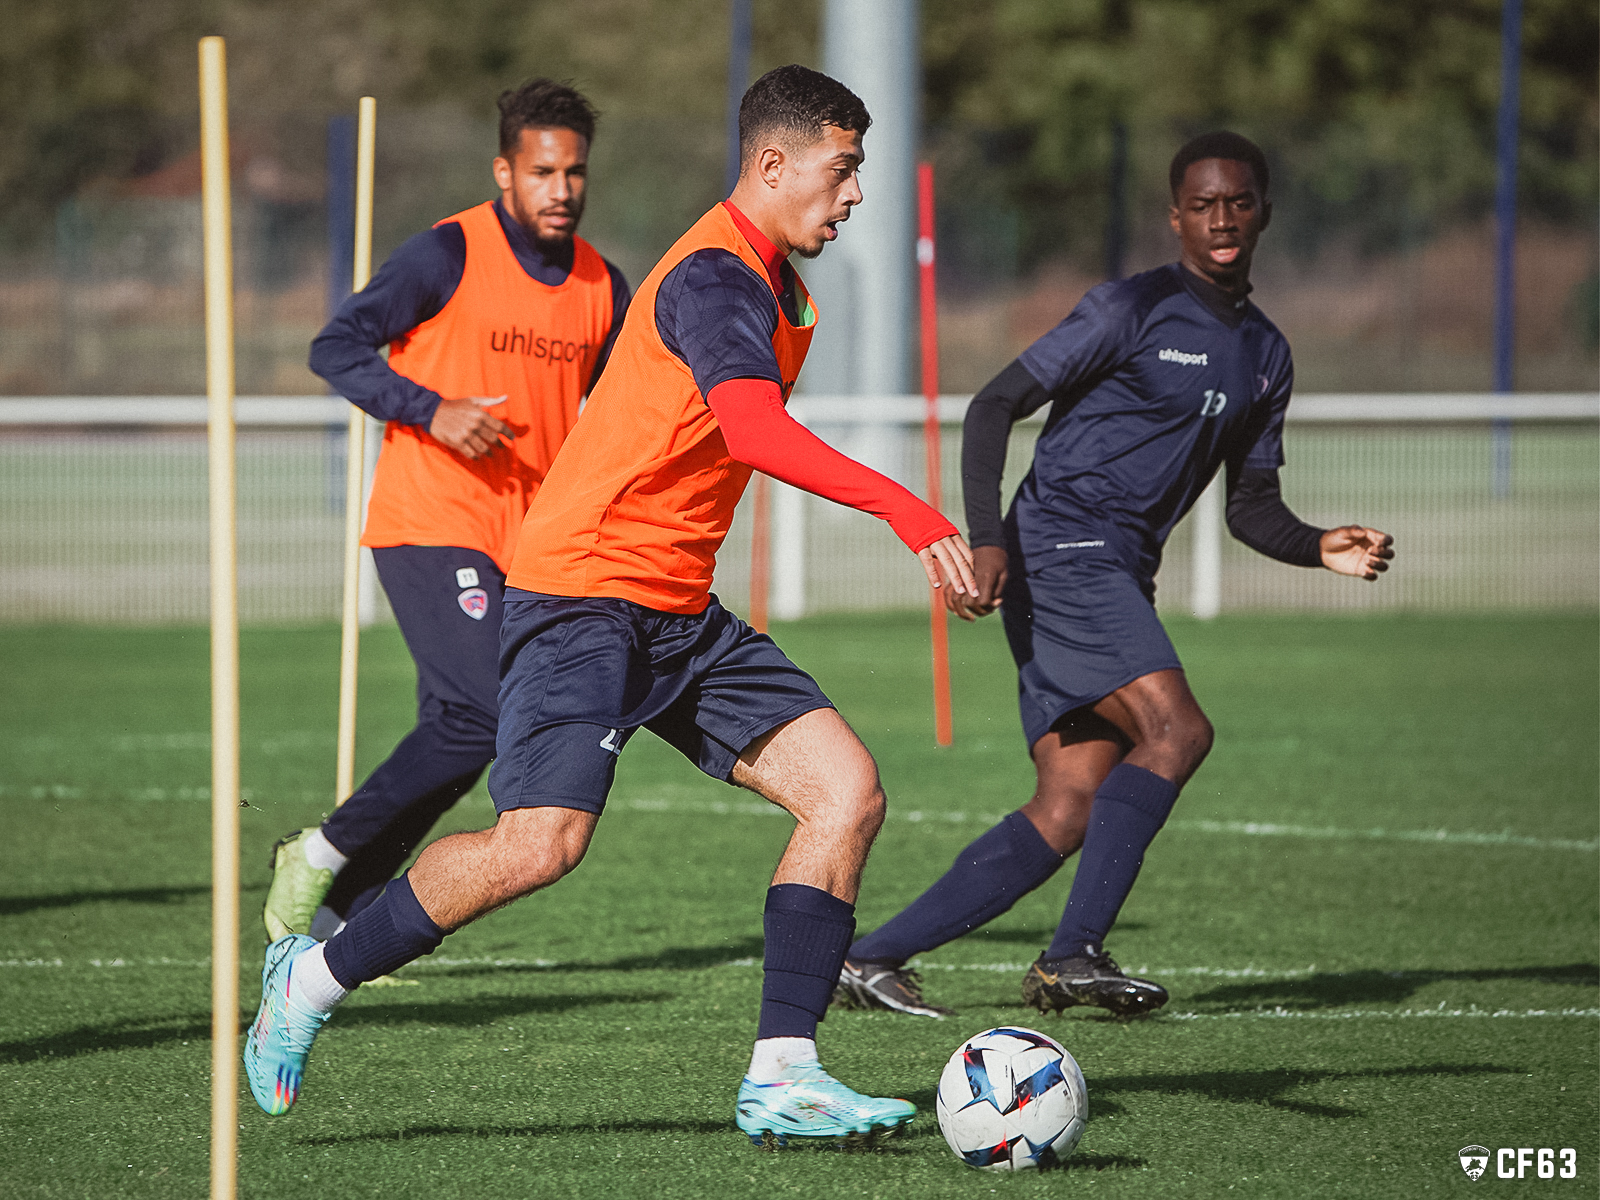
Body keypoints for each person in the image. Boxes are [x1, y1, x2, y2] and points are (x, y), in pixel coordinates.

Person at [244, 65, 977, 1142]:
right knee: (540, 844)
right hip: (582, 592)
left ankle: (782, 1072)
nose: (854, 194)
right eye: (843, 169)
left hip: (677, 607)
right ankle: (310, 979)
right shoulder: (716, 277)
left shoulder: (779, 281)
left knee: (845, 792)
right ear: (774, 166)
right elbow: (754, 434)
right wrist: (911, 513)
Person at [835, 131, 1395, 1021]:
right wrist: (987, 540)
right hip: (1060, 545)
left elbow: (1250, 508)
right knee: (1177, 729)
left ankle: (867, 959)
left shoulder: (1267, 354)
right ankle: (1072, 957)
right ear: (1175, 216)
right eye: (1203, 203)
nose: (1221, 218)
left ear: (1263, 214)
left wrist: (1318, 543)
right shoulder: (1129, 309)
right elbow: (993, 405)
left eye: (1238, 202)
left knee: (1068, 805)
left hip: (1118, 571)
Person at [261, 79, 630, 945]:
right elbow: (335, 346)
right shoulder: (445, 255)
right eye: (542, 172)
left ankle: (351, 915)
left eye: (574, 173)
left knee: (461, 729)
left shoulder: (603, 286)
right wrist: (434, 409)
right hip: (431, 518)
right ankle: (322, 850)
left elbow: (619, 411)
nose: (561, 190)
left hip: (529, 541)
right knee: (483, 711)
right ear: (505, 171)